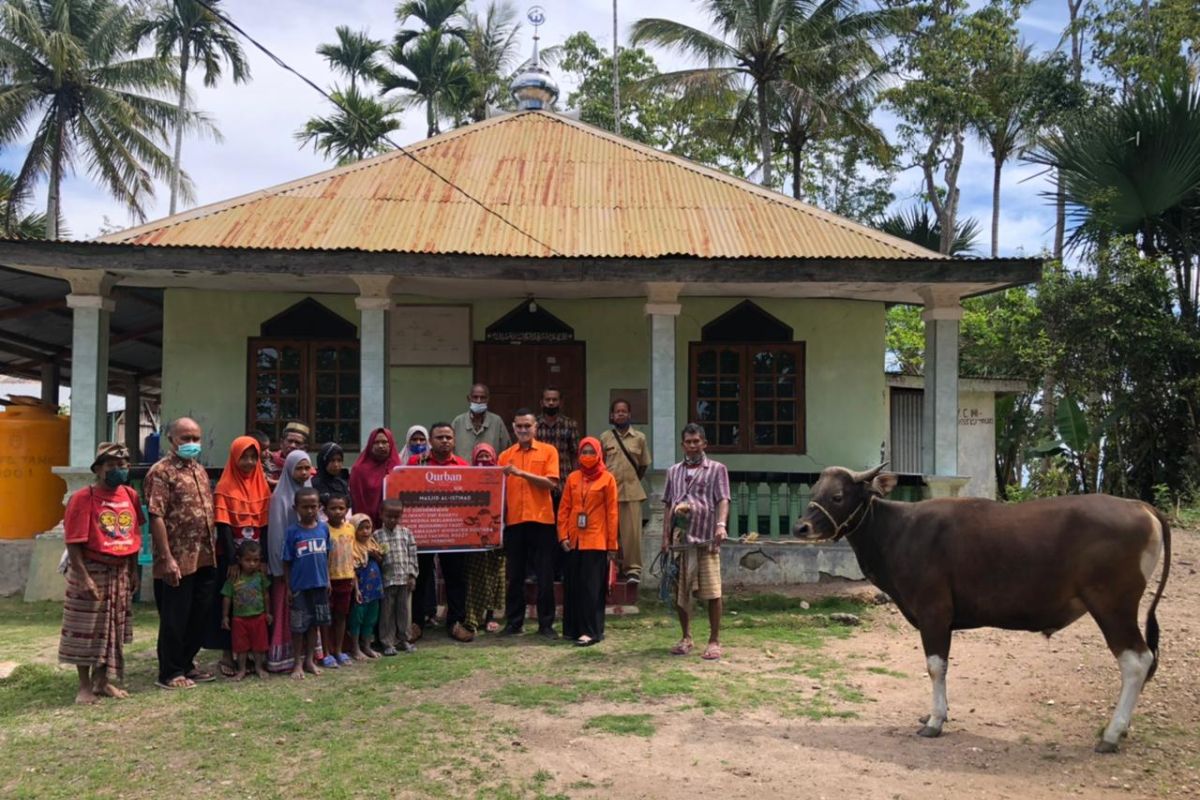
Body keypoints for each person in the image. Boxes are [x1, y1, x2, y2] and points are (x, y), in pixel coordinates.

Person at [58, 442, 143, 704]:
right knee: (86, 628)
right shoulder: (83, 498)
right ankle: (84, 686)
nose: (118, 469)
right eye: (112, 465)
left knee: (112, 629)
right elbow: (73, 542)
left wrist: (133, 570)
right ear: (98, 469)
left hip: (120, 570)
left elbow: (134, 534)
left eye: (123, 465)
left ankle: (102, 681)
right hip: (91, 568)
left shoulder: (130, 496)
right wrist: (83, 578)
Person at [145, 417, 218, 690]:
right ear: (171, 440)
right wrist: (166, 558)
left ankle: (187, 664)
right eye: (185, 439)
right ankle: (170, 671)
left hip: (204, 555)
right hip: (176, 558)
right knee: (175, 616)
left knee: (199, 613)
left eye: (195, 439)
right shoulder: (161, 472)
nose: (191, 444)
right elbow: (156, 516)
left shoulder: (199, 470)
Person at [661, 424, 731, 661]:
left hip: (706, 537)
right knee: (681, 592)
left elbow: (723, 499)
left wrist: (721, 525)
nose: (692, 446)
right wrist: (665, 539)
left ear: (704, 443)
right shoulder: (673, 472)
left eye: (696, 441)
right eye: (688, 442)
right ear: (682, 445)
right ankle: (686, 637)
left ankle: (714, 640)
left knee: (713, 591)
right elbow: (669, 505)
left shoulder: (717, 469)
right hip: (681, 540)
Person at [209, 435, 272, 677]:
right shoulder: (225, 486)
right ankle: (227, 654)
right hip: (232, 557)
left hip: (256, 556)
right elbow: (223, 525)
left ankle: (258, 656)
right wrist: (233, 560)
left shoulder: (262, 484)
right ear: (234, 457)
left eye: (252, 457)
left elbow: (264, 525)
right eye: (243, 457)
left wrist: (262, 559)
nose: (248, 462)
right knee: (229, 602)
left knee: (257, 601)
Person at [498, 408, 560, 638]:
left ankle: (546, 625)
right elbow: (498, 491)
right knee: (515, 576)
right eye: (519, 426)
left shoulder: (548, 451)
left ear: (536, 428)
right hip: (514, 522)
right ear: (513, 428)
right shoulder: (504, 456)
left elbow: (551, 483)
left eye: (527, 426)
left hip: (541, 520)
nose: (523, 430)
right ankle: (514, 623)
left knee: (545, 576)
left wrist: (521, 474)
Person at [407, 423, 471, 642]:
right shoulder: (416, 464)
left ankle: (455, 622)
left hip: (453, 532)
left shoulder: (462, 465)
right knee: (421, 578)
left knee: (455, 578)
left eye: (448, 437)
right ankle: (416, 622)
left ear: (454, 440)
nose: (444, 441)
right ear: (431, 441)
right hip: (424, 531)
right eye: (439, 437)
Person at [557, 437, 618, 647]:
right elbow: (564, 508)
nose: (588, 456)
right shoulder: (573, 477)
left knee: (591, 588)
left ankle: (591, 631)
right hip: (574, 540)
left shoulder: (608, 479)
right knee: (573, 586)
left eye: (592, 452)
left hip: (596, 540)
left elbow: (612, 512)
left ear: (599, 454)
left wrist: (612, 545)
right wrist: (562, 535)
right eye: (584, 452)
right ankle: (572, 629)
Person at [265, 449, 313, 673]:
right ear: (289, 469)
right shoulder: (280, 498)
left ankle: (309, 655)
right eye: (299, 468)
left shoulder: (311, 494)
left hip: (308, 566)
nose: (304, 473)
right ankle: (284, 657)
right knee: (288, 609)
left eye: (307, 468)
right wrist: (279, 569)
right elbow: (276, 537)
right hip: (288, 568)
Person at [599, 399, 652, 584]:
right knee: (608, 533)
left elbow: (644, 464)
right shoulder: (605, 437)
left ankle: (633, 571)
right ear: (611, 415)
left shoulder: (639, 438)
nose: (620, 414)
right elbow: (600, 464)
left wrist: (632, 479)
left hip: (632, 492)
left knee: (632, 535)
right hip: (609, 492)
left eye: (624, 411)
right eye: (617, 411)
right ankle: (609, 567)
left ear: (629, 415)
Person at [282, 487, 330, 679]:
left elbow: (327, 556)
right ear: (296, 508)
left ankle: (310, 659)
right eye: (305, 507)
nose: (310, 511)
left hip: (320, 586)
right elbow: (286, 561)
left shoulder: (324, 529)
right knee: (298, 627)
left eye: (313, 507)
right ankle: (297, 663)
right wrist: (288, 587)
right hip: (299, 587)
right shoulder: (292, 532)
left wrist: (327, 580)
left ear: (319, 507)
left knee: (314, 624)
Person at [462, 443, 505, 636]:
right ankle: (472, 618)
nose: (484, 460)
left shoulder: (502, 478)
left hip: (497, 537)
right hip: (475, 537)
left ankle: (490, 616)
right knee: (475, 577)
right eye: (481, 456)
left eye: (488, 456)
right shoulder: (468, 479)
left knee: (495, 577)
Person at [220, 540, 271, 681]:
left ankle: (259, 667)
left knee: (259, 646)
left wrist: (268, 613)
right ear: (239, 560)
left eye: (255, 560)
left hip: (258, 617)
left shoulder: (260, 576)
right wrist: (225, 616)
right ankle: (241, 669)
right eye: (247, 560)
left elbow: (266, 594)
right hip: (239, 619)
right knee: (241, 647)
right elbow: (227, 597)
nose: (252, 564)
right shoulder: (234, 577)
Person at [375, 498, 418, 655]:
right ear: (381, 515)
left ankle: (404, 640)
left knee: (404, 612)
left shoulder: (406, 533)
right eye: (389, 516)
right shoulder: (376, 535)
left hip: (404, 580)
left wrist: (412, 575)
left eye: (396, 517)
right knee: (387, 613)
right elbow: (376, 559)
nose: (393, 520)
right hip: (387, 581)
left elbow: (413, 556)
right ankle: (387, 642)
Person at [320, 493, 356, 668]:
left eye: (341, 508)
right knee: (326, 618)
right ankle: (326, 652)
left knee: (341, 616)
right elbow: (322, 557)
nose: (337, 512)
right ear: (325, 510)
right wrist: (325, 579)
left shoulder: (350, 529)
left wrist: (354, 578)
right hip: (329, 581)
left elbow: (352, 554)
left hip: (346, 578)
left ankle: (339, 650)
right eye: (333, 508)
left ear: (347, 510)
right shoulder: (322, 529)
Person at [348, 513, 383, 660]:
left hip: (375, 589)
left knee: (371, 618)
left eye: (368, 528)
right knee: (357, 619)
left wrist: (375, 555)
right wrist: (356, 590)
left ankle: (367, 647)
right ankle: (355, 648)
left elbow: (381, 561)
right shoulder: (352, 547)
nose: (366, 532)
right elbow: (353, 571)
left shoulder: (373, 544)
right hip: (361, 589)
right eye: (361, 528)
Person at [349, 427, 401, 527]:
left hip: (392, 525)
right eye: (376, 442)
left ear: (391, 443)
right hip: (366, 526)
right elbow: (357, 500)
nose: (381, 446)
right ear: (370, 445)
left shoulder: (397, 468)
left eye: (384, 442)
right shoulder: (359, 470)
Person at [451, 383, 511, 461]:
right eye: (475, 397)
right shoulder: (458, 421)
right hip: (463, 471)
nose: (478, 401)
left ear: (488, 399)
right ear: (469, 399)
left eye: (482, 398)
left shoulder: (497, 421)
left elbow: (507, 450)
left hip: (489, 471)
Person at [267, 421, 310, 488]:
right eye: (290, 441)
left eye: (297, 443)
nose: (292, 445)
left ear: (304, 448)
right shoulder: (269, 462)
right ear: (281, 443)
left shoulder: (308, 469)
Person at [311, 442, 350, 509]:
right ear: (323, 461)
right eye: (332, 460)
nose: (336, 465)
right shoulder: (314, 484)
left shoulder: (342, 484)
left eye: (339, 460)